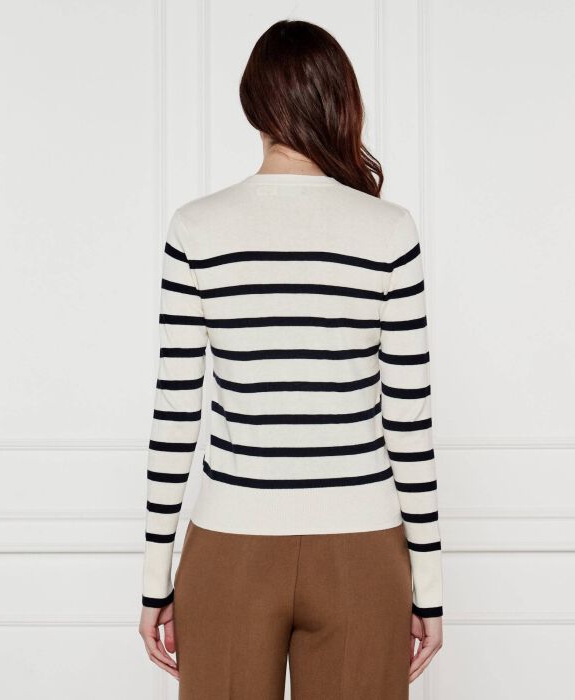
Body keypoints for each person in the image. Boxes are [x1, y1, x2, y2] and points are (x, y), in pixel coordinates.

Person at [138, 19, 443, 699]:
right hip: (362, 549)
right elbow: (409, 422)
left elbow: (176, 413)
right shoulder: (389, 230)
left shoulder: (197, 227)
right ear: (341, 101)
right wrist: (429, 586)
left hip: (230, 546)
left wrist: (156, 578)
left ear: (254, 104)